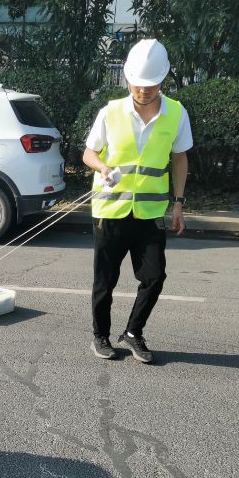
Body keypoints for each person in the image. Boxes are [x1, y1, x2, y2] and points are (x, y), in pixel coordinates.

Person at [82, 38, 192, 364]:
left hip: (150, 212)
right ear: (128, 78)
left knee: (154, 277)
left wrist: (179, 203)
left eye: (150, 84)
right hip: (111, 210)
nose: (143, 90)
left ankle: (132, 332)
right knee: (105, 281)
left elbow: (180, 158)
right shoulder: (111, 111)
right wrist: (102, 167)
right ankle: (100, 336)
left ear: (162, 80)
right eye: (137, 83)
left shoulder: (176, 113)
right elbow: (89, 153)